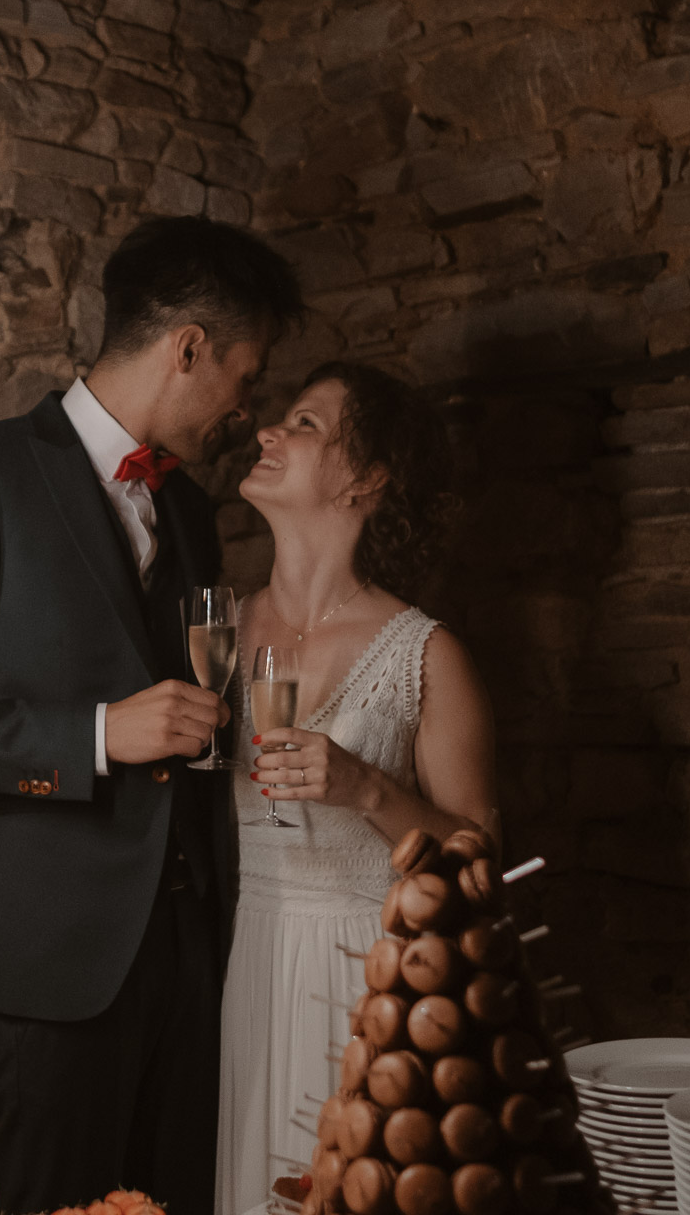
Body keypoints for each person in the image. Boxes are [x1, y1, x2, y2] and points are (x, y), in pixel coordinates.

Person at [0, 216, 304, 1215]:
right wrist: (93, 734)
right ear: (187, 347)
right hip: (57, 953)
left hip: (197, 944)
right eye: (244, 374)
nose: (244, 408)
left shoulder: (183, 509)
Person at [214, 362, 499, 1215]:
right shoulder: (214, 632)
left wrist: (367, 787)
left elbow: (481, 863)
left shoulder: (426, 654)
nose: (267, 432)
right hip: (238, 966)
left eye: (302, 424)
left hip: (366, 979)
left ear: (368, 478)